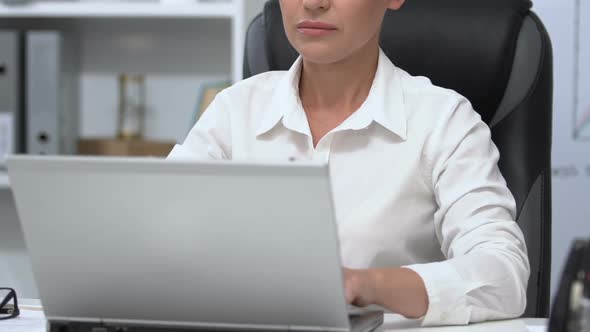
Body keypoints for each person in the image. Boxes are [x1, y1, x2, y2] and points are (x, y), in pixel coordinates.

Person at [167, 0, 529, 326]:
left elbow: (502, 275)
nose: (313, 3)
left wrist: (365, 285)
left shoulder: (443, 120)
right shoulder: (235, 110)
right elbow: (153, 234)